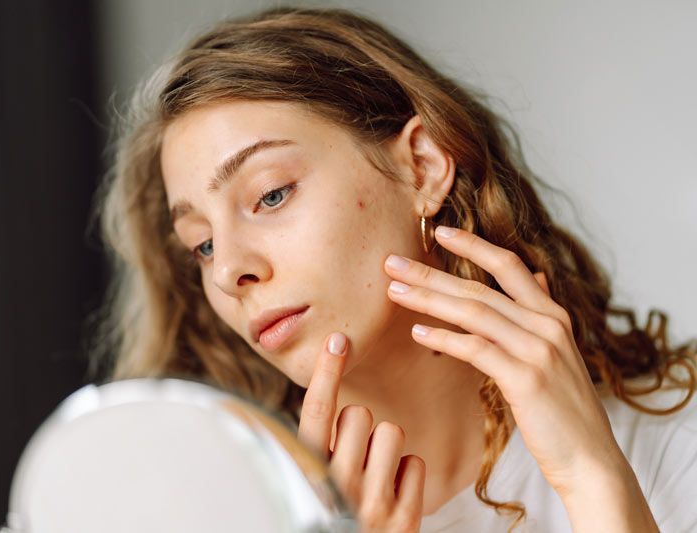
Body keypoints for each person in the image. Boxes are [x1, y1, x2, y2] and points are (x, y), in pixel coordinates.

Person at [87, 6, 697, 532]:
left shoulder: (673, 449)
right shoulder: (198, 512)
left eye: (270, 195)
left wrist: (593, 479)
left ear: (423, 167)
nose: (228, 273)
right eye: (203, 245)